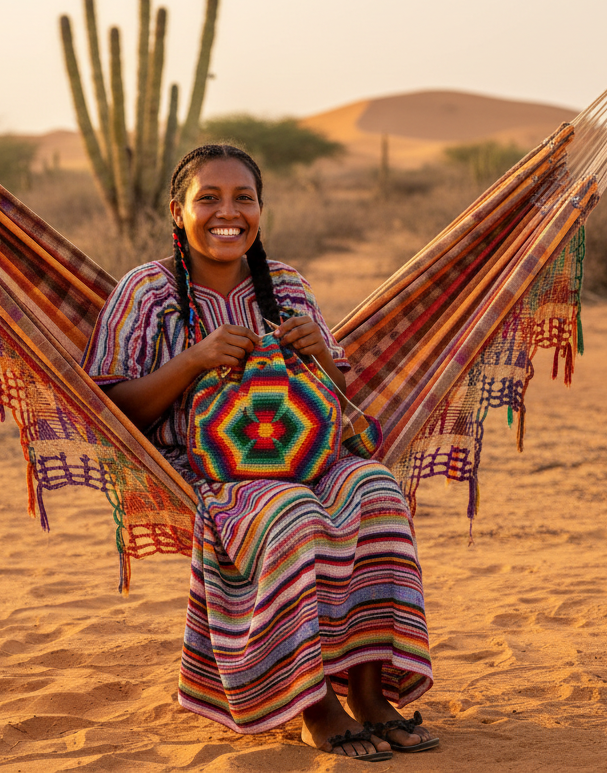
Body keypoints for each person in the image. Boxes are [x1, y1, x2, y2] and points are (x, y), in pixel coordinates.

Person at [83, 144, 436, 760]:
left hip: (309, 457)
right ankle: (313, 703)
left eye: (243, 198)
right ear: (178, 211)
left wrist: (320, 355)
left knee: (377, 491)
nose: (228, 212)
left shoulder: (288, 286)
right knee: (290, 515)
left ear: (260, 210)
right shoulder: (147, 291)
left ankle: (371, 692)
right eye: (209, 198)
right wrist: (193, 360)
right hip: (204, 469)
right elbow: (112, 408)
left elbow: (335, 395)